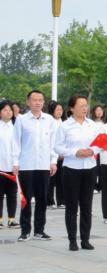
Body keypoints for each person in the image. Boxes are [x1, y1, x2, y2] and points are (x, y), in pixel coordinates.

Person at [55, 95, 101, 251]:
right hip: (71, 169)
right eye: (81, 105)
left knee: (86, 206)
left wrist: (92, 150)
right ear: (72, 108)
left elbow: (100, 143)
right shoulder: (65, 126)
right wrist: (75, 152)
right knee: (72, 206)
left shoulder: (92, 124)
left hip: (90, 168)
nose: (84, 108)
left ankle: (85, 239)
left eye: (85, 105)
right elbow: (57, 147)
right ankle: (72, 240)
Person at [14, 89, 58, 241]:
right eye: (34, 100)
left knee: (42, 199)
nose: (37, 102)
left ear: (43, 102)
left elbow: (53, 143)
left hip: (44, 165)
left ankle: (39, 230)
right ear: (28, 102)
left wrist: (53, 161)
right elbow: (16, 143)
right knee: (26, 199)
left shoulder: (49, 120)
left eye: (40, 100)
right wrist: (15, 162)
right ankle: (25, 230)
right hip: (26, 165)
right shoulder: (21, 120)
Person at [0, 100, 18, 228]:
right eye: (5, 110)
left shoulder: (16, 127)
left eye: (10, 110)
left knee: (12, 194)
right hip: (0, 166)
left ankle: (12, 219)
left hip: (13, 166)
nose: (8, 112)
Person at [46, 100, 65, 209]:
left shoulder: (64, 122)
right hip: (51, 155)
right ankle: (49, 201)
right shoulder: (49, 122)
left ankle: (61, 201)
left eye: (61, 109)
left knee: (61, 179)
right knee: (51, 179)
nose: (59, 112)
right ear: (52, 111)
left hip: (62, 155)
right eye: (57, 109)